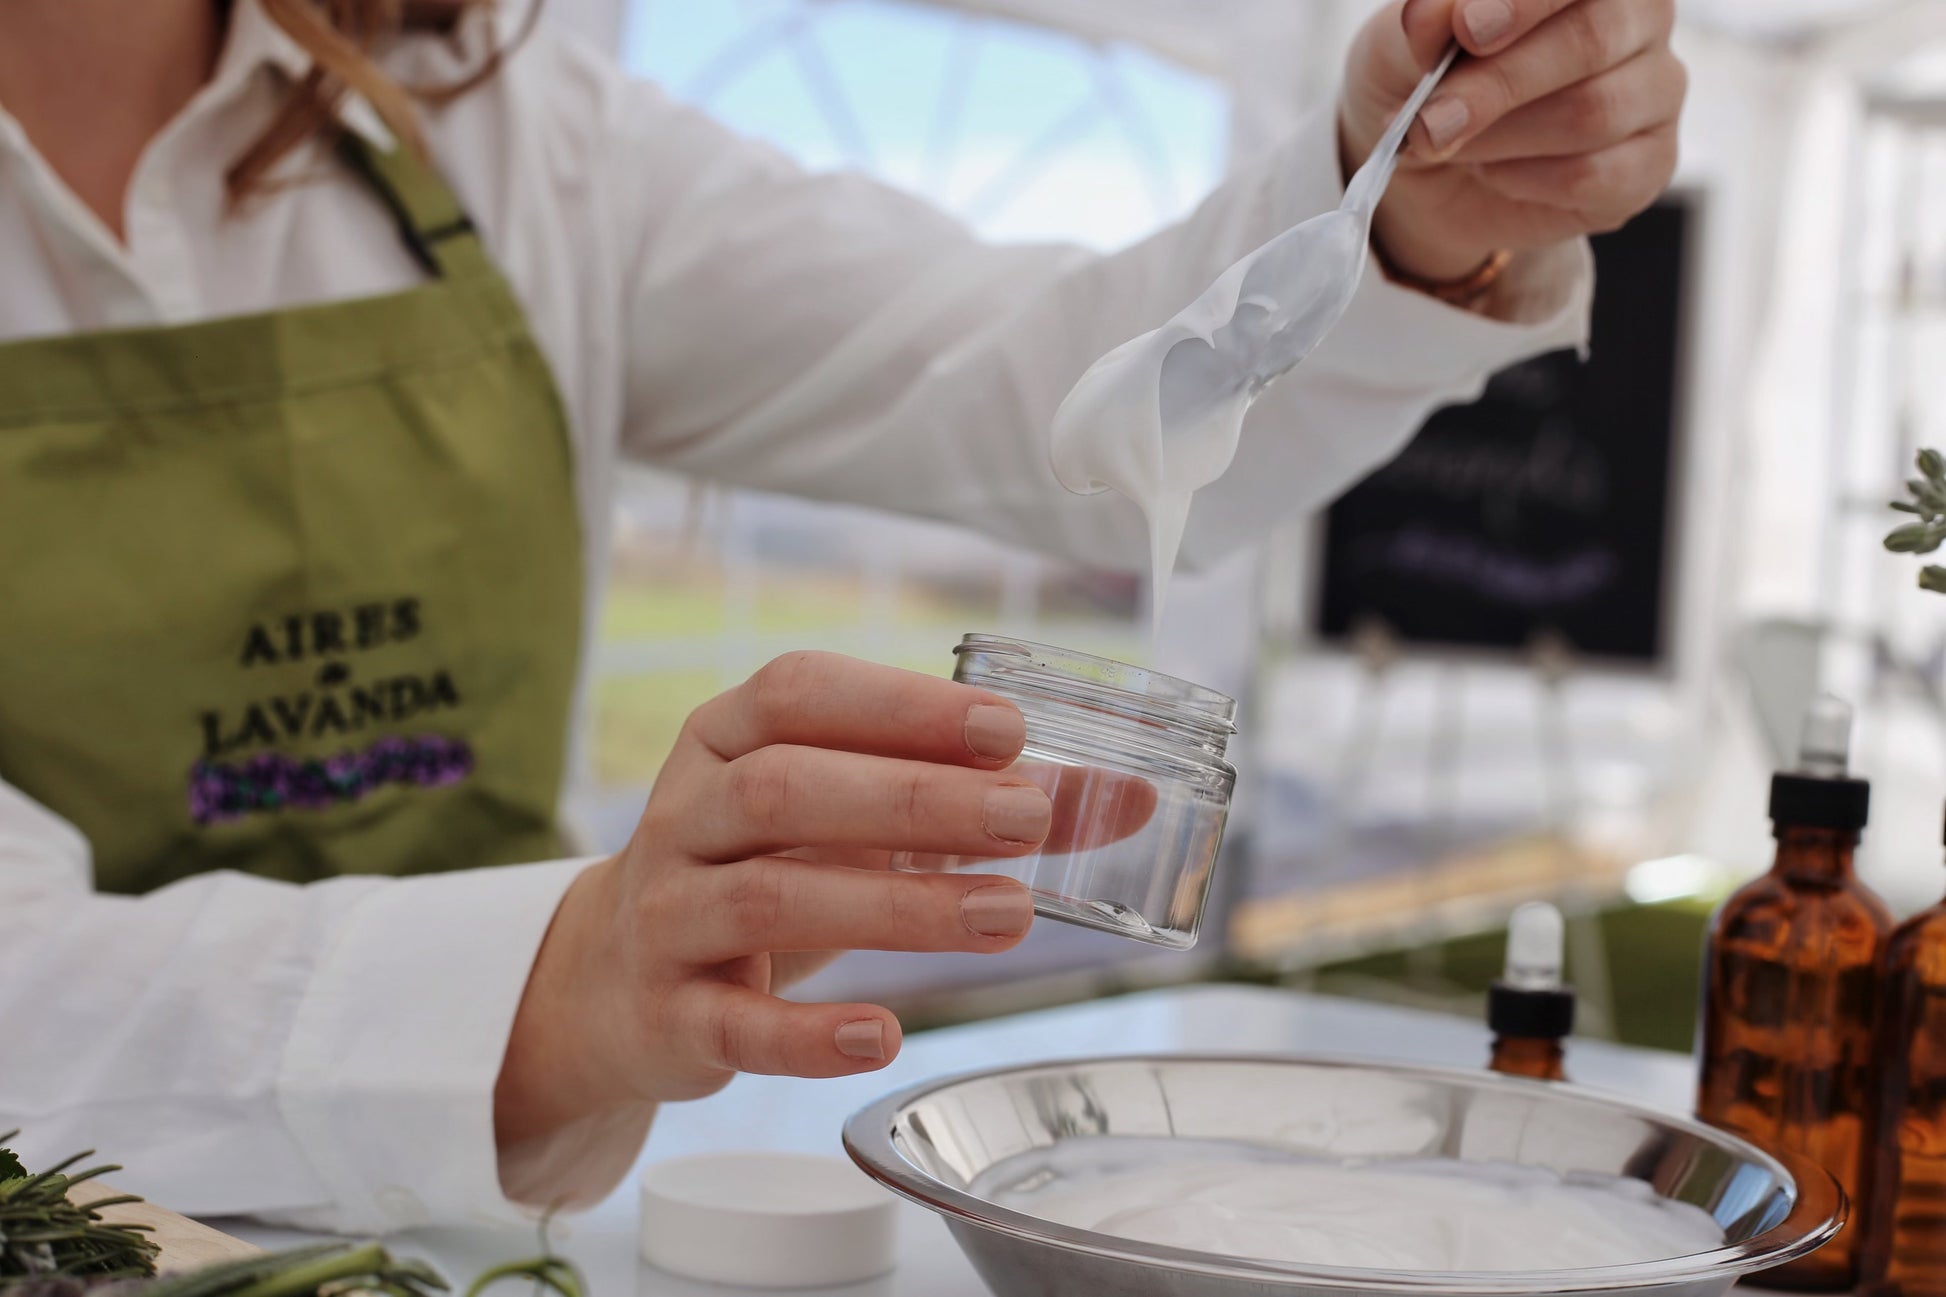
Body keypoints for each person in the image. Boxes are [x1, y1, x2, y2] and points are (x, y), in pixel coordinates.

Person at [0, 0, 1684, 1234]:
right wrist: (551, 982)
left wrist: (1389, 212)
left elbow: (1042, 390)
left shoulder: (505, 129)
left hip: (479, 1241)